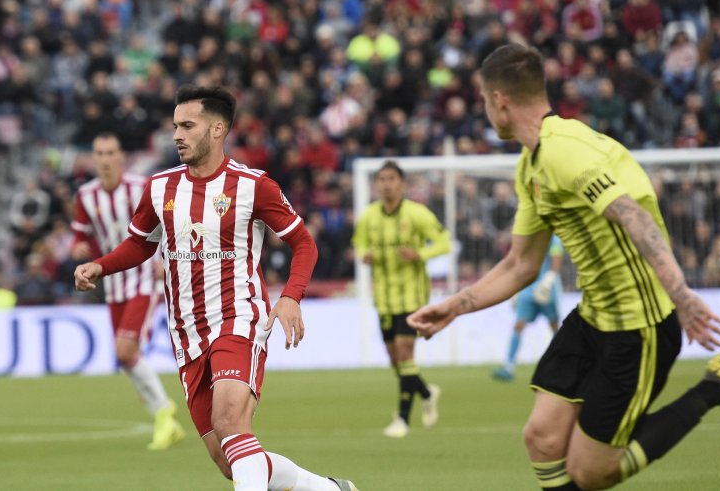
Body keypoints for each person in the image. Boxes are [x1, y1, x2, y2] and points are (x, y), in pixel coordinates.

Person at [409, 45, 720, 491]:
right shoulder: (532, 163)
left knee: (591, 471)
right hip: (593, 317)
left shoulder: (567, 151)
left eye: (484, 101)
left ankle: (716, 388)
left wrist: (682, 296)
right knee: (541, 438)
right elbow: (521, 264)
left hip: (639, 327)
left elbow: (633, 215)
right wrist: (455, 307)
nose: (486, 112)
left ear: (499, 99)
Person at [75, 86, 357, 491]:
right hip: (187, 332)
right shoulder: (159, 188)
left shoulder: (253, 186)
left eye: (188, 126)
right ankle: (329, 490)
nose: (177, 135)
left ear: (218, 129)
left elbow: (303, 243)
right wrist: (100, 266)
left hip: (238, 319)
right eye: (175, 126)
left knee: (229, 423)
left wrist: (291, 296)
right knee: (230, 459)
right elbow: (141, 242)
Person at [70, 131, 185, 451]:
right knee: (126, 357)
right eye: (99, 153)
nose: (105, 159)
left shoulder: (140, 188)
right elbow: (79, 235)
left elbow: (165, 223)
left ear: (121, 156)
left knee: (124, 350)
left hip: (144, 278)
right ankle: (165, 418)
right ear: (93, 159)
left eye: (110, 153)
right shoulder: (86, 195)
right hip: (114, 282)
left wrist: (163, 256)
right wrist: (79, 249)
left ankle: (164, 413)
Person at [351, 161, 449, 438]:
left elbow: (445, 242)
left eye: (391, 178)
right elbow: (358, 243)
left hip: (412, 297)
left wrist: (421, 255)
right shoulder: (369, 216)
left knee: (406, 353)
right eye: (381, 179)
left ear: (402, 183)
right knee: (397, 361)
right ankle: (427, 392)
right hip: (383, 297)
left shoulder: (417, 214)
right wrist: (364, 255)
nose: (386, 184)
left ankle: (403, 420)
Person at [492, 235, 564, 382]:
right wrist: (515, 289)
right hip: (527, 288)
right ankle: (508, 366)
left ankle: (563, 363)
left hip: (546, 288)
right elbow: (518, 262)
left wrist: (550, 278)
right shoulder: (527, 238)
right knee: (519, 324)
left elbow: (556, 257)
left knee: (554, 326)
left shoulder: (553, 239)